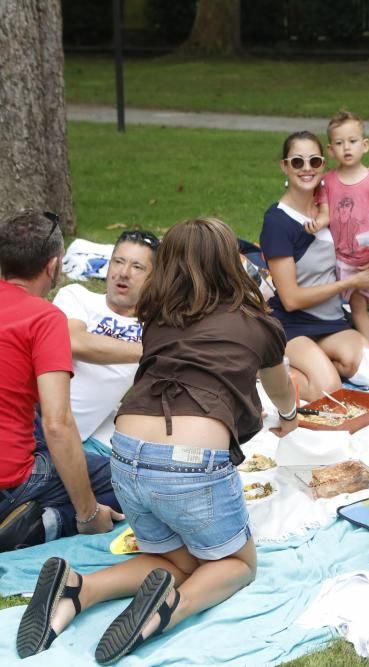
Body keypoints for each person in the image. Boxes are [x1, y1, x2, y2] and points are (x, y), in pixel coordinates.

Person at [15, 217, 299, 663]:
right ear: (232, 263)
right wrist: (290, 415)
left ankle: (80, 589)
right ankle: (170, 607)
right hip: (189, 461)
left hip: (125, 456)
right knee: (237, 563)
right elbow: (281, 389)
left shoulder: (158, 321)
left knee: (180, 561)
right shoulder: (258, 324)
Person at [0, 209, 121, 553]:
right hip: (11, 479)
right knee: (121, 479)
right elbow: (58, 423)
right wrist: (87, 513)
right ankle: (45, 524)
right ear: (53, 266)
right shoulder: (44, 318)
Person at [260, 131, 369, 401]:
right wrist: (353, 282)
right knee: (328, 390)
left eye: (314, 161)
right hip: (292, 325)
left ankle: (315, 364)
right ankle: (264, 376)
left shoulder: (329, 210)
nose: (306, 168)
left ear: (323, 165)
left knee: (365, 364)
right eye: (297, 162)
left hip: (331, 322)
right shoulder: (278, 222)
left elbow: (358, 246)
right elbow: (291, 299)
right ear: (284, 166)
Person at [52, 229, 159, 455]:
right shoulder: (76, 296)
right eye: (118, 261)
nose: (124, 273)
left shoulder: (155, 326)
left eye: (137, 267)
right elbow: (74, 342)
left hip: (78, 440)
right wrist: (151, 350)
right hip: (38, 425)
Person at [309, 111, 369, 366]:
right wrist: (318, 222)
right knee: (357, 305)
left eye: (352, 141)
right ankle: (368, 349)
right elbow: (325, 213)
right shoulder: (327, 183)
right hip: (343, 260)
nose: (346, 147)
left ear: (365, 145)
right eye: (339, 143)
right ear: (330, 149)